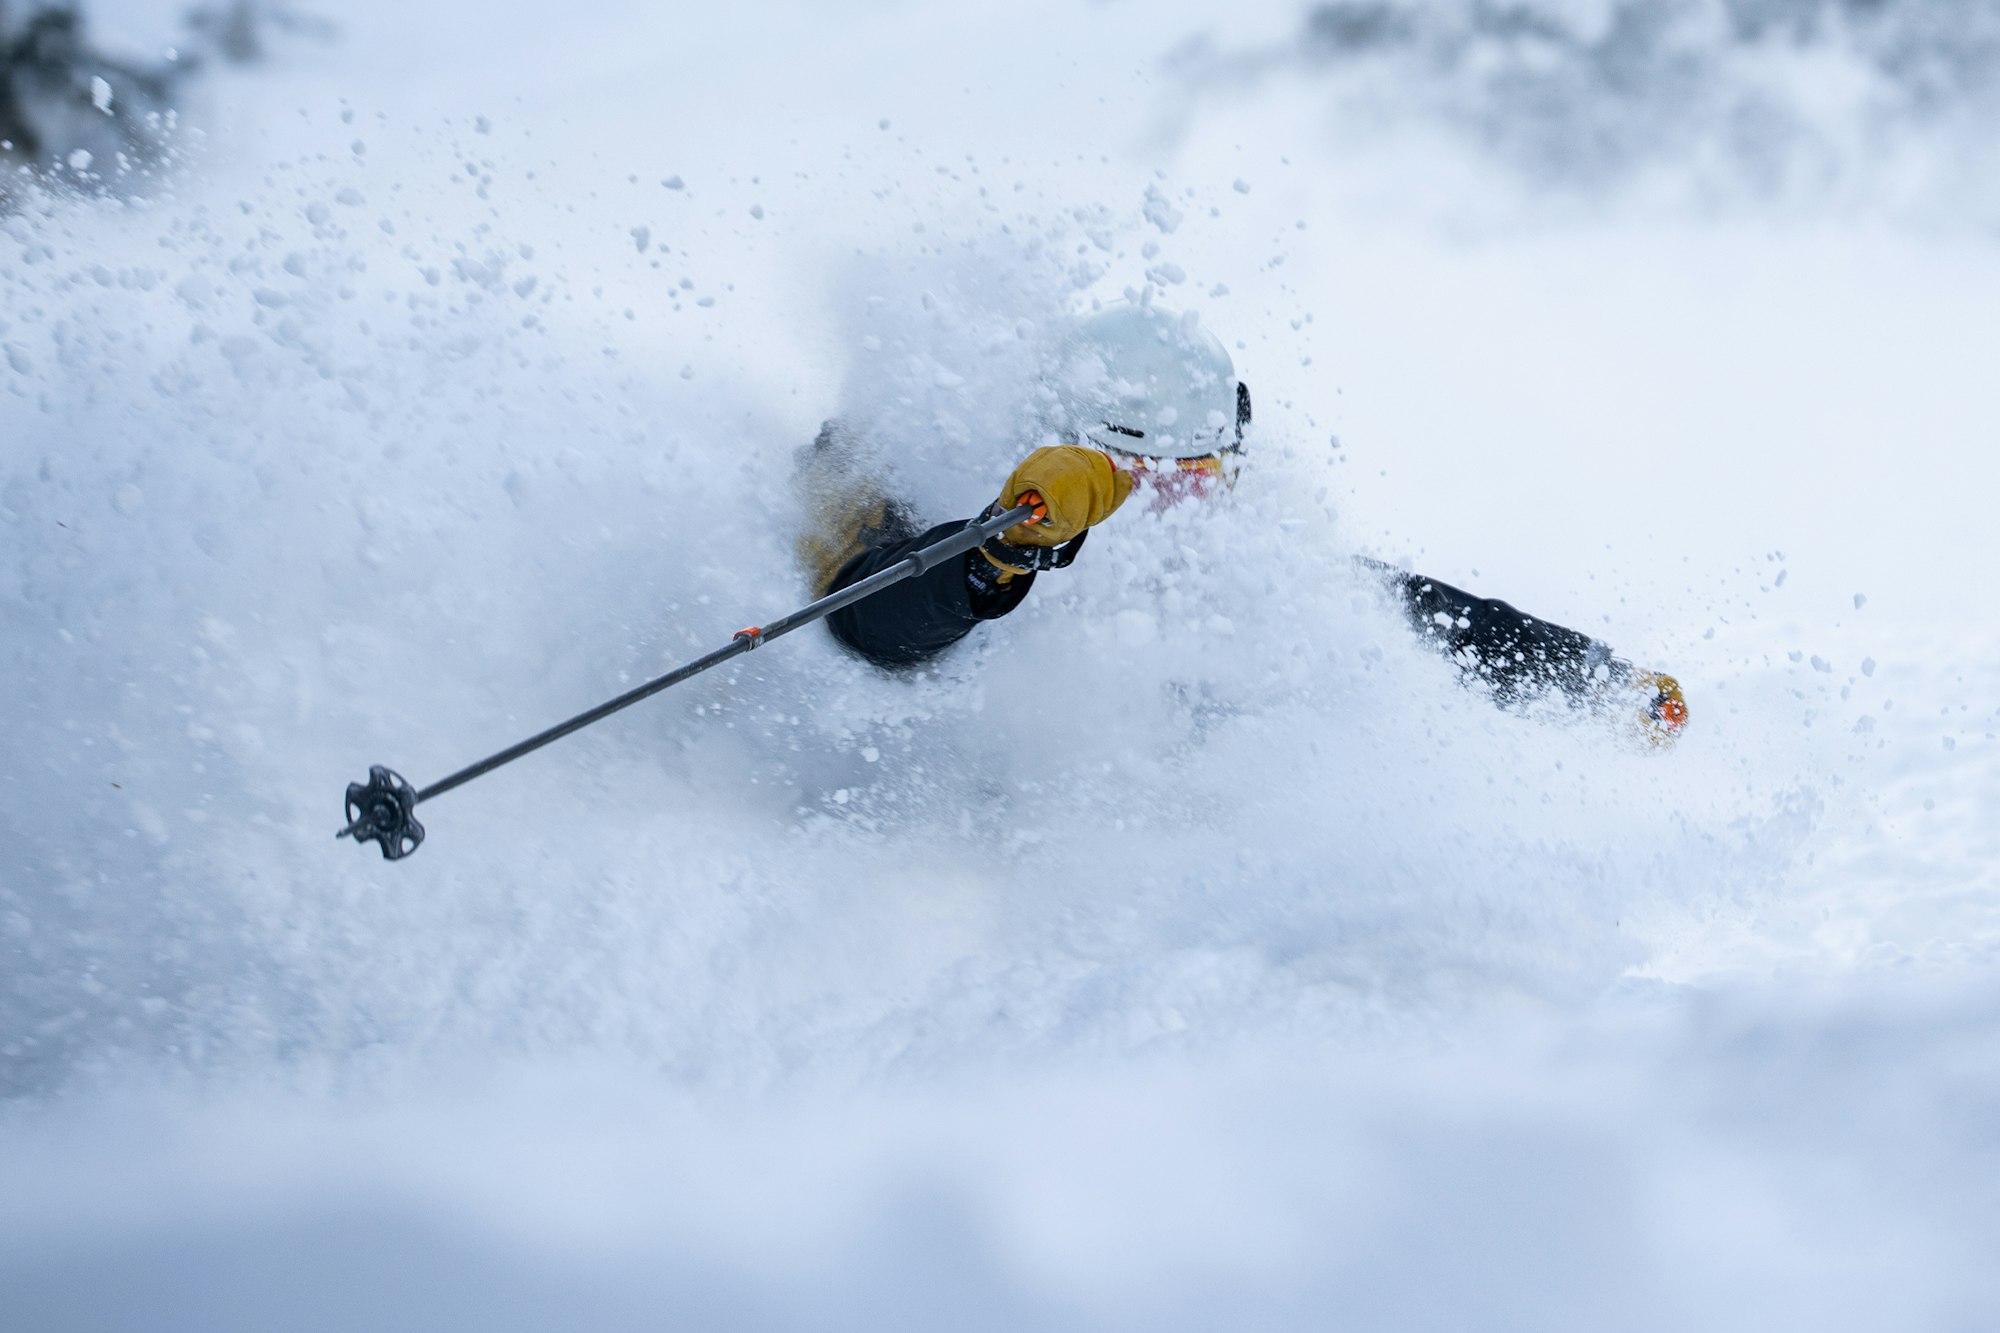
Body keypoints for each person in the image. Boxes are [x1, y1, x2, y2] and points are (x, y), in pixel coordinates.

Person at [795, 300, 1688, 743]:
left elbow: (1393, 611)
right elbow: (868, 625)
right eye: (1155, 472)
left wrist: (1595, 683)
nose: (1190, 495)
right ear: (1083, 446)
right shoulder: (915, 470)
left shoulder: (1212, 536)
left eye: (1207, 467)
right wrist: (1004, 547)